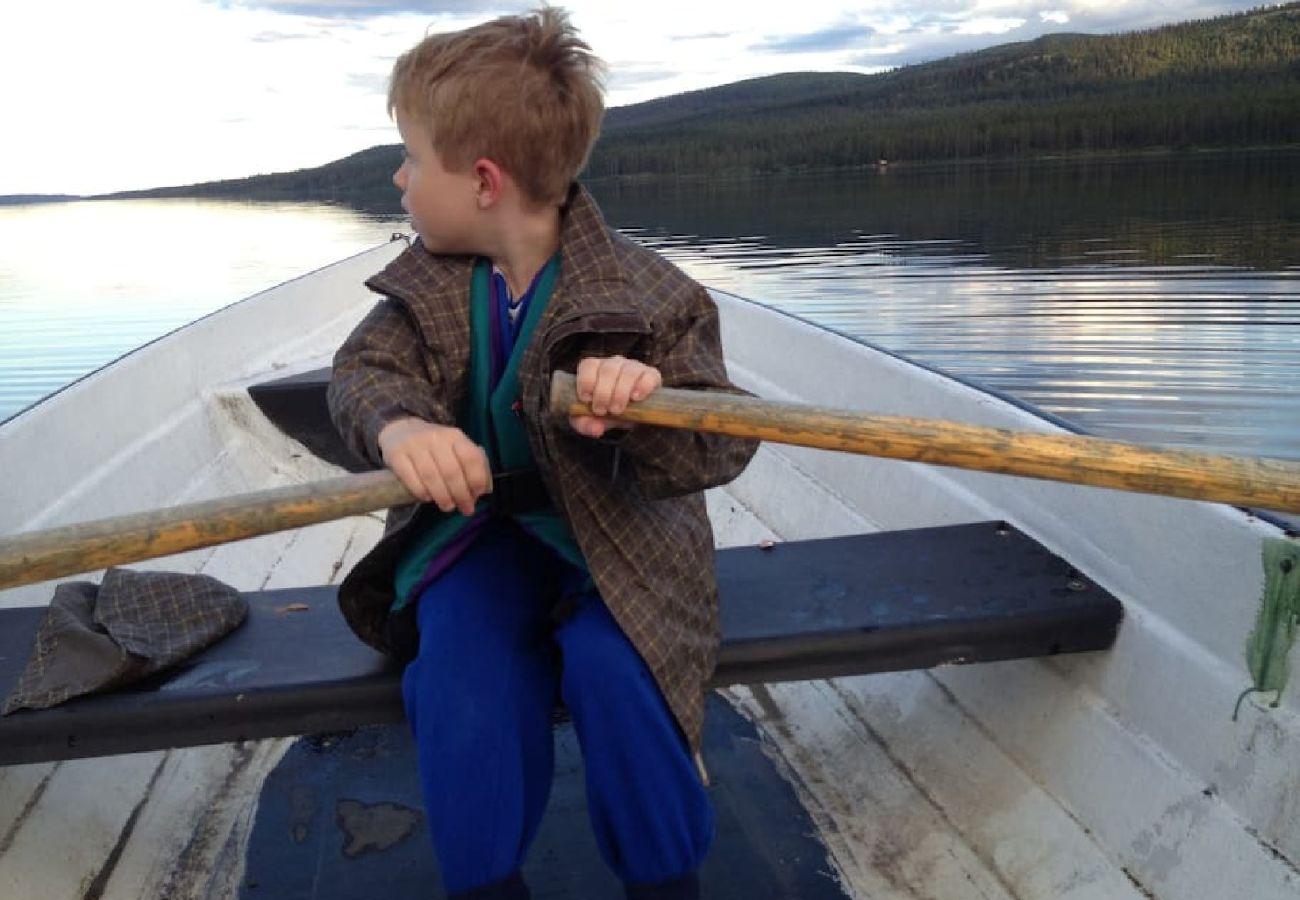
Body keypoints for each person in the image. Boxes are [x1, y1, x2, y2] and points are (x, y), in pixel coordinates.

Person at [327, 7, 758, 899]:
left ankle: (666, 880)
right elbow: (363, 375)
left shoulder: (651, 296)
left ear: (483, 180)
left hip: (622, 550)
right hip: (478, 541)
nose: (399, 178)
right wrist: (403, 427)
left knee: (618, 668)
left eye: (410, 157)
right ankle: (487, 885)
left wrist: (648, 411)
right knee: (459, 676)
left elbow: (722, 438)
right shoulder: (425, 291)